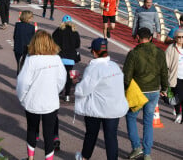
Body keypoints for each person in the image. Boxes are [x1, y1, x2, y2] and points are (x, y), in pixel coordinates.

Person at [74, 38, 128, 160]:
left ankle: (84, 157)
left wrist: (76, 83)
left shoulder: (93, 68)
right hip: (114, 108)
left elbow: (83, 90)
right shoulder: (115, 66)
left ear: (94, 52)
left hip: (97, 107)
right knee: (111, 137)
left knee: (91, 134)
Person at [17, 30, 66, 160]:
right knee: (49, 134)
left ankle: (31, 158)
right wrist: (55, 91)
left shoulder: (31, 59)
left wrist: (22, 98)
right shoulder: (56, 59)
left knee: (32, 130)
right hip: (50, 102)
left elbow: (23, 82)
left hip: (33, 102)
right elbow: (62, 79)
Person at [123, 27, 168, 160]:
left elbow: (126, 77)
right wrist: (164, 88)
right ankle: (147, 153)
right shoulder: (160, 52)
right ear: (150, 38)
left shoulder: (133, 54)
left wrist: (125, 91)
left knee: (131, 117)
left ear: (137, 37)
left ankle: (136, 147)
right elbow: (164, 72)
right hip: (154, 90)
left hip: (138, 92)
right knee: (148, 122)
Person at [52, 15, 80, 102]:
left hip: (60, 57)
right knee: (68, 76)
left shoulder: (58, 30)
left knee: (59, 75)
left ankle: (59, 91)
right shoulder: (75, 32)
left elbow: (53, 41)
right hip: (71, 58)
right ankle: (67, 94)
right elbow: (77, 45)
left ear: (62, 22)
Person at [165, 28, 183, 124]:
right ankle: (178, 113)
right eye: (178, 37)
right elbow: (165, 63)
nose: (181, 39)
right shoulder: (171, 48)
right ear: (175, 38)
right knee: (178, 96)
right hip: (176, 76)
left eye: (182, 37)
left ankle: (180, 113)